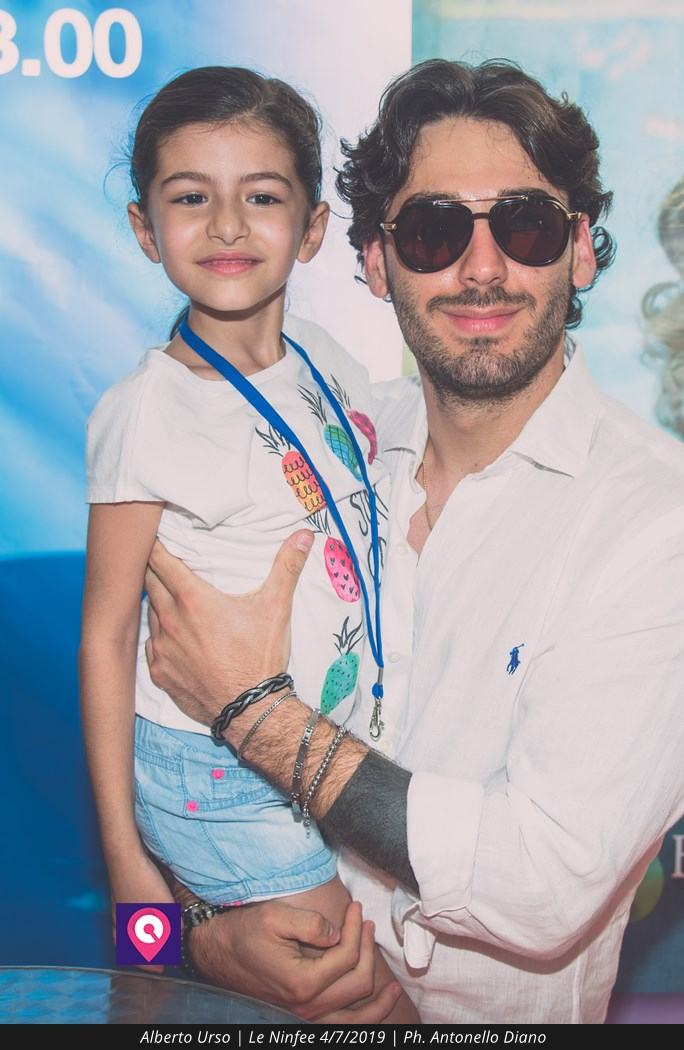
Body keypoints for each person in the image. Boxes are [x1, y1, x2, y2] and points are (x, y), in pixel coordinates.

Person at [142, 59, 684, 1024]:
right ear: (373, 262)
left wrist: (257, 715)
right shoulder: (303, 445)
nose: (482, 269)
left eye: (526, 225)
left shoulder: (655, 519)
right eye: (434, 231)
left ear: (581, 251)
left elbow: (541, 884)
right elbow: (155, 740)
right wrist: (195, 933)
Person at [78, 64, 417, 1022]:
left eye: (261, 197)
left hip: (321, 745)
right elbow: (106, 634)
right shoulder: (146, 411)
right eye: (192, 198)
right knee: (361, 997)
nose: (227, 225)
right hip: (218, 770)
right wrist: (128, 869)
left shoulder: (324, 359)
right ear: (146, 229)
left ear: (311, 228)